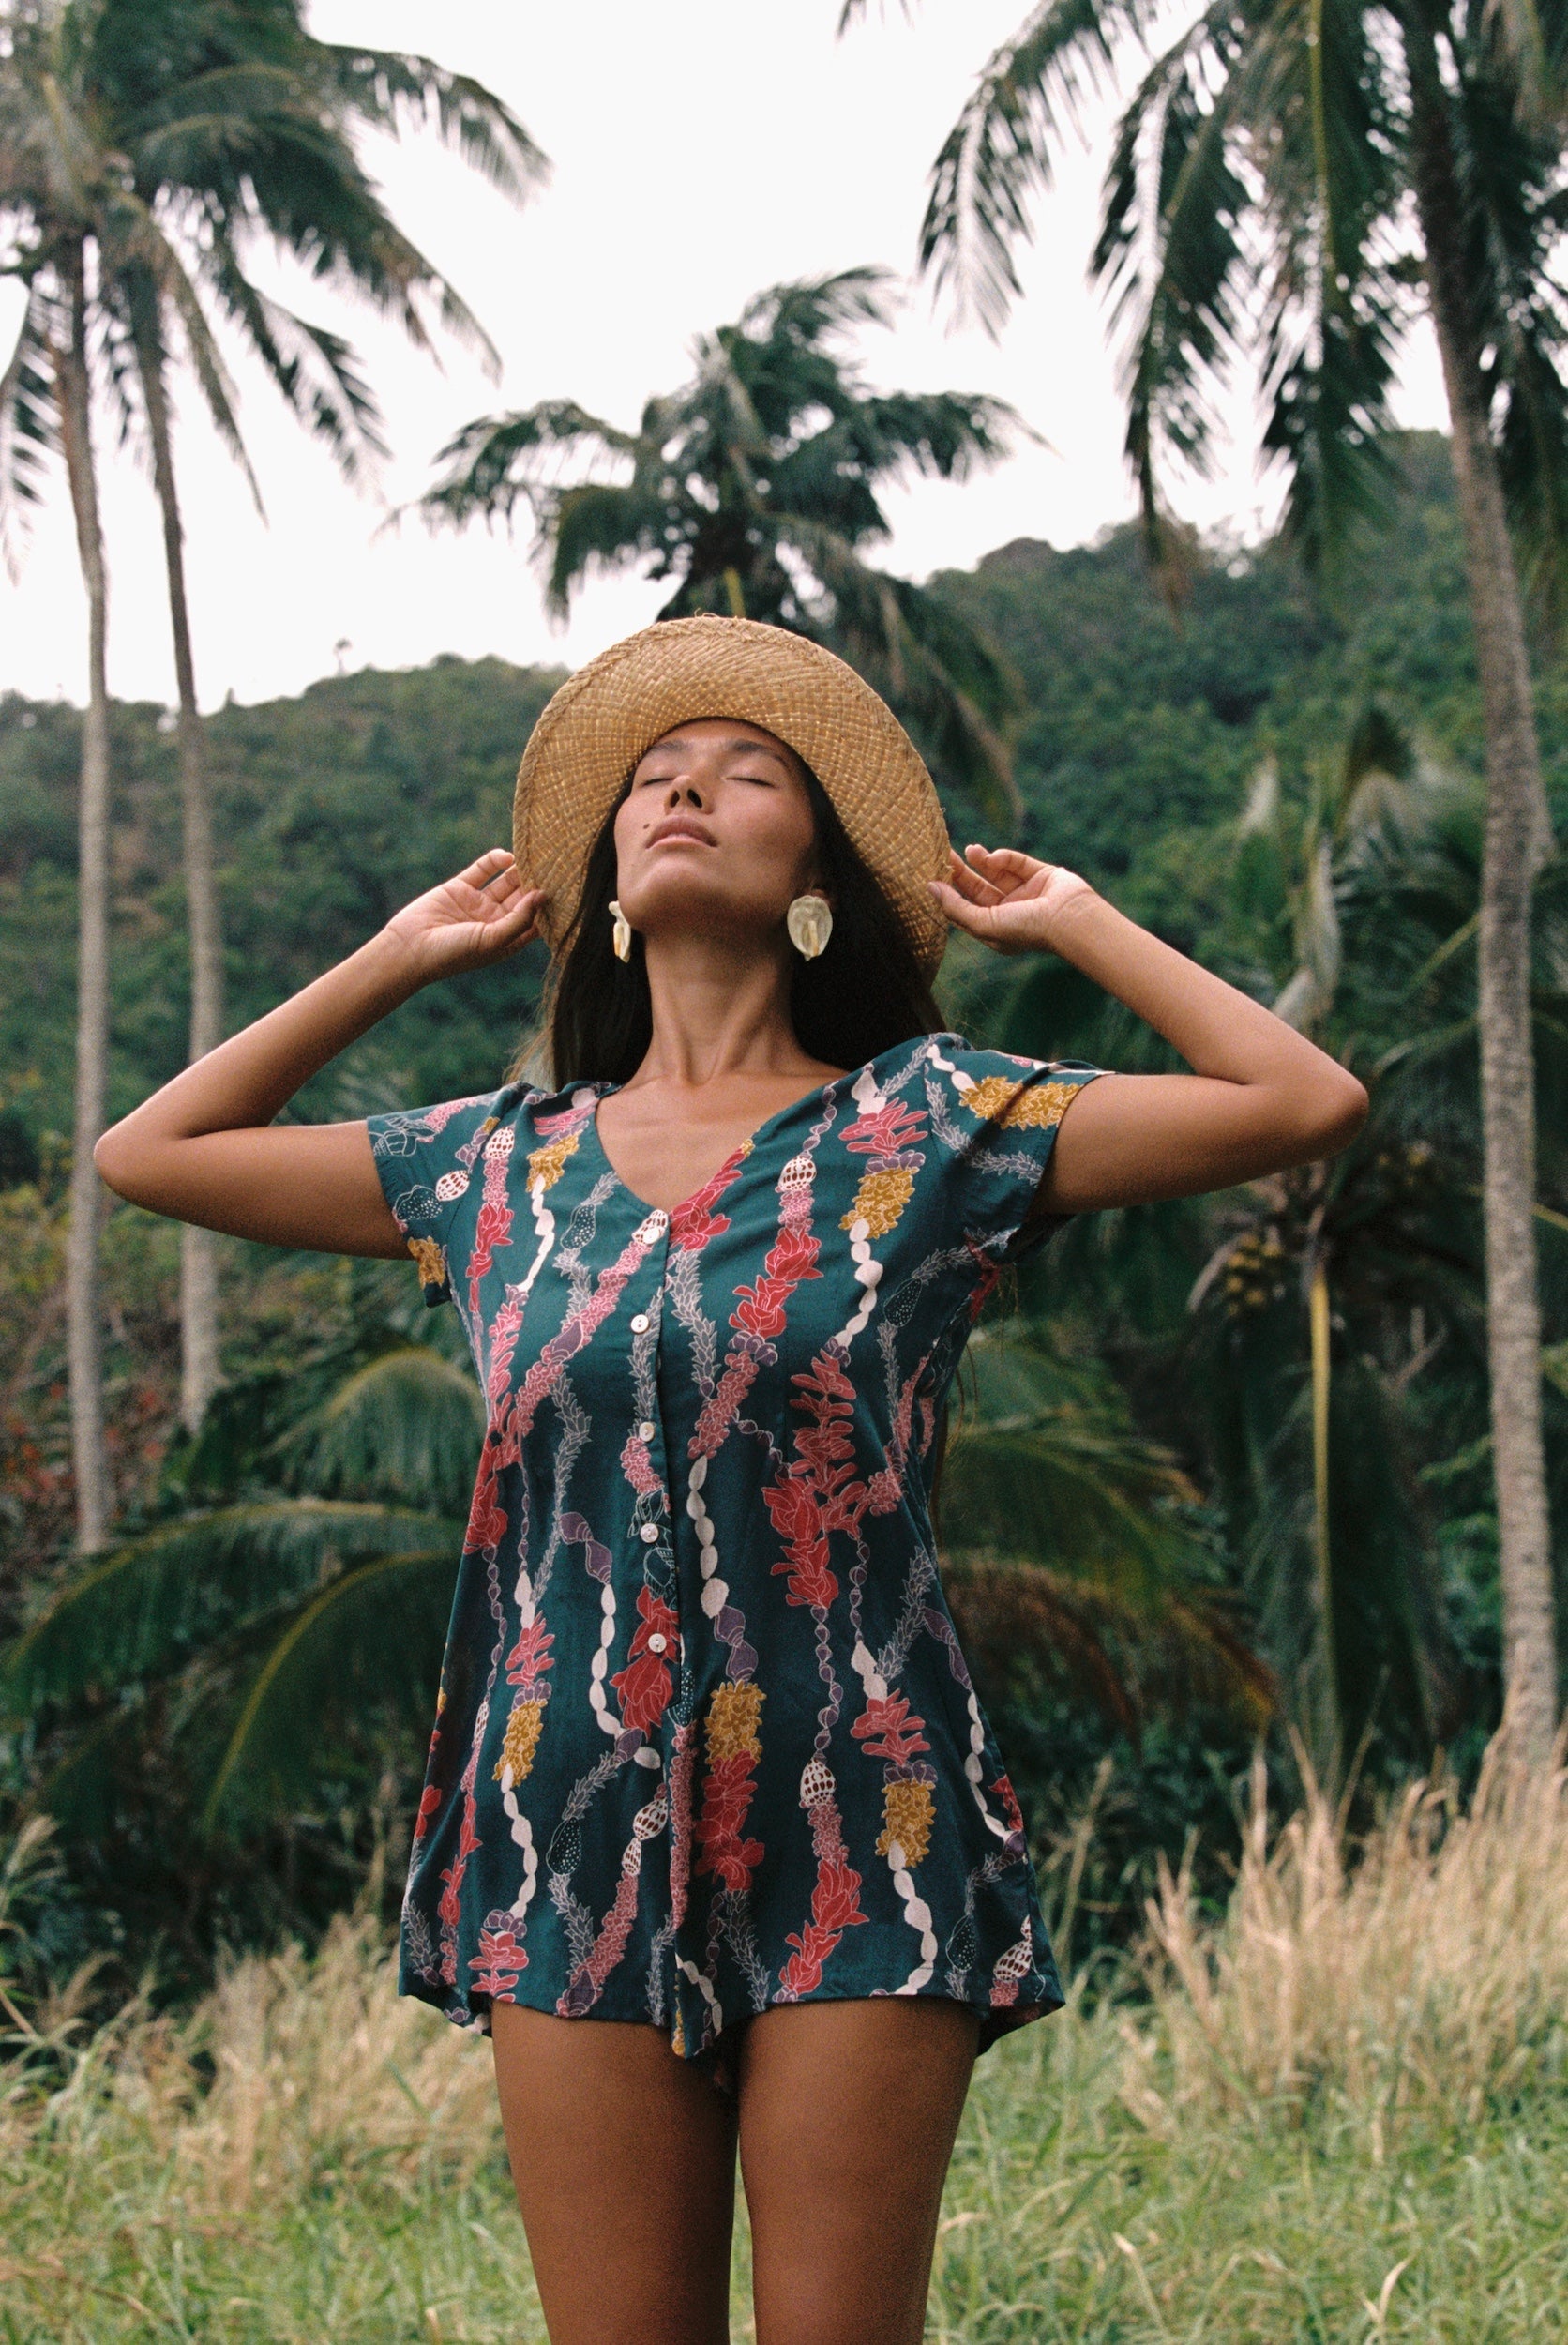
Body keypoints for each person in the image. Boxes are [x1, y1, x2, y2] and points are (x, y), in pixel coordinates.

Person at [96, 616, 1365, 2345]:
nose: (688, 789)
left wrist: (1068, 918)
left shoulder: (933, 1125)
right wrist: (396, 957)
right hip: (563, 1812)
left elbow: (1301, 1095)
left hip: (864, 1802)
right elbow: (147, 1154)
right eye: (655, 779)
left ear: (818, 874)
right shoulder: (491, 1164)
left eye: (748, 774)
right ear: (609, 875)